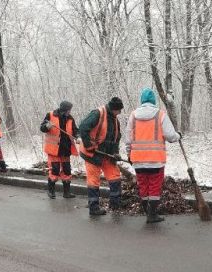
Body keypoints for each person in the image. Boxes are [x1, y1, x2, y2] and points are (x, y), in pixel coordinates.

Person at [126, 88, 180, 223]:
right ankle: (152, 214)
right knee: (154, 186)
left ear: (142, 100)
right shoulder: (160, 115)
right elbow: (171, 136)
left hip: (138, 159)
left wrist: (129, 154)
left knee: (143, 185)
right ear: (154, 100)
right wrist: (178, 135)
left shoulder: (133, 115)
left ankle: (147, 211)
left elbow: (128, 138)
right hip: (156, 160)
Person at [77, 97, 124, 216]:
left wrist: (115, 153)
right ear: (114, 109)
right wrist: (88, 145)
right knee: (94, 181)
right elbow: (83, 127)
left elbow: (116, 139)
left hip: (106, 155)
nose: (120, 113)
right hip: (92, 154)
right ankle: (94, 208)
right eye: (119, 110)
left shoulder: (115, 120)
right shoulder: (98, 113)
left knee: (115, 177)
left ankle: (115, 203)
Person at [39, 100, 78, 199]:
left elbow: (75, 130)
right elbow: (42, 128)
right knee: (54, 171)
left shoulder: (70, 118)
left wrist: (78, 136)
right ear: (64, 110)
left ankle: (66, 193)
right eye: (69, 110)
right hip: (54, 149)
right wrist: (47, 126)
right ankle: (51, 191)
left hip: (66, 149)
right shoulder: (50, 115)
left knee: (67, 171)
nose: (70, 112)